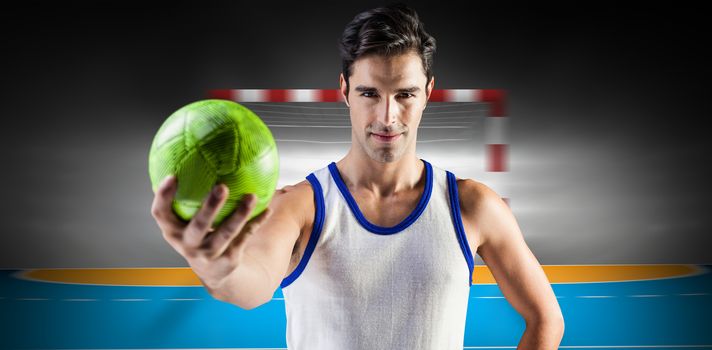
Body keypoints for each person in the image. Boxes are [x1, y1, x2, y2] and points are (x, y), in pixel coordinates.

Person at [151, 3, 564, 349]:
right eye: (370, 94)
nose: (387, 117)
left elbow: (546, 320)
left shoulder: (472, 206)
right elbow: (251, 284)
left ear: (428, 93)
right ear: (345, 90)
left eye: (405, 94)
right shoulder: (301, 205)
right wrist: (216, 269)